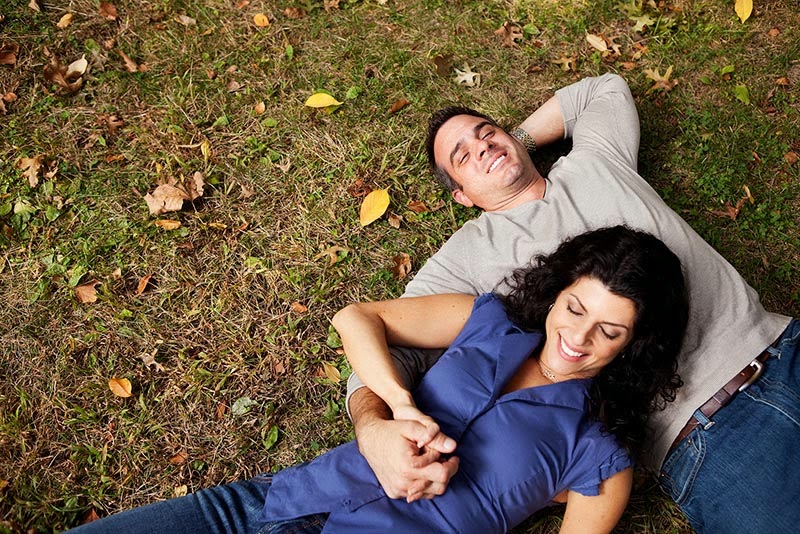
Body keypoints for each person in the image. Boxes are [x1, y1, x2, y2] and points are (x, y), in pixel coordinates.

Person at [346, 73, 799, 533]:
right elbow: (378, 342)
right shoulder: (464, 259)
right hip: (707, 431)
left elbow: (605, 89)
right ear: (460, 196)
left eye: (487, 133)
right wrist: (374, 430)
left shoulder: (595, 159)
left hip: (783, 342)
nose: (482, 146)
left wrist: (516, 140)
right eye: (463, 155)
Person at [68, 226, 688, 533]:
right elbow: (356, 318)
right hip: (260, 506)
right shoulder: (487, 320)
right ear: (557, 294)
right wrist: (392, 409)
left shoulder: (601, 454)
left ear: (638, 345)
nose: (577, 339)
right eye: (576, 310)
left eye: (610, 331)